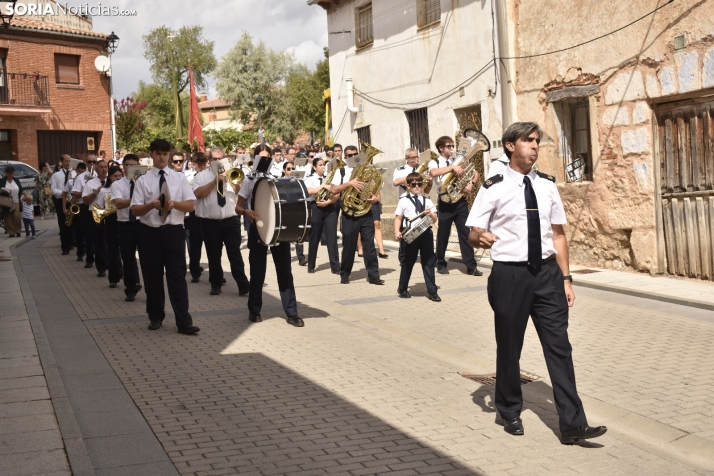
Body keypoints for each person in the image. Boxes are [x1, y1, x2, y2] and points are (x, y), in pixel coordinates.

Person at [467, 122, 606, 444]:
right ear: (509, 146)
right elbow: (472, 230)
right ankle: (509, 408)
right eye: (527, 141)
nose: (534, 146)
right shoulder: (494, 186)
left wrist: (567, 279)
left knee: (559, 347)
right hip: (510, 275)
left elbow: (558, 235)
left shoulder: (546, 185)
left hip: (547, 276)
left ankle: (573, 423)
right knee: (510, 346)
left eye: (536, 141)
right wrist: (479, 238)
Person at [131, 138, 199, 335]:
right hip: (149, 233)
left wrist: (174, 204)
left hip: (173, 231)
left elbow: (191, 205)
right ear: (151, 155)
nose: (162, 157)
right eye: (158, 154)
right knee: (152, 277)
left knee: (177, 277)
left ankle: (184, 321)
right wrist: (151, 205)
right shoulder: (143, 180)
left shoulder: (179, 178)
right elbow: (135, 211)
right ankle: (155, 316)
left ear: (169, 155)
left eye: (165, 154)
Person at [235, 144, 304, 327]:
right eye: (261, 157)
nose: (265, 161)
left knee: (285, 272)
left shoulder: (276, 178)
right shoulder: (249, 180)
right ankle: (254, 310)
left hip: (277, 229)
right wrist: (247, 212)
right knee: (258, 272)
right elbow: (238, 206)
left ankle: (292, 312)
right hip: (257, 229)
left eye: (268, 157)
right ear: (255, 158)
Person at [192, 147, 250, 296]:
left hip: (231, 220)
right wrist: (215, 180)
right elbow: (198, 194)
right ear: (209, 160)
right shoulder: (201, 176)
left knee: (234, 253)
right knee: (213, 255)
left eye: (220, 159)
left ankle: (243, 284)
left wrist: (234, 181)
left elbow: (240, 192)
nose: (218, 162)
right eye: (215, 159)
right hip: (210, 222)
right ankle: (216, 283)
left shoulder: (231, 173)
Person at [330, 145, 384, 285]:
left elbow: (377, 191)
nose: (352, 157)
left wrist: (375, 199)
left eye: (355, 154)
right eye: (349, 155)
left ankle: (374, 275)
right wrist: (349, 183)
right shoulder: (341, 171)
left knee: (369, 245)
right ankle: (345, 274)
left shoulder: (368, 169)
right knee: (348, 245)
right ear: (345, 157)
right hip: (349, 213)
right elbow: (334, 189)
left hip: (366, 212)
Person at [429, 136, 481, 276]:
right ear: (441, 148)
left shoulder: (458, 160)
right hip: (445, 202)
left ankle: (471, 266)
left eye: (452, 146)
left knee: (465, 233)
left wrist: (471, 184)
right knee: (443, 235)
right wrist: (452, 167)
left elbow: (476, 173)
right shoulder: (435, 162)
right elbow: (433, 173)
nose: (452, 149)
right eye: (448, 146)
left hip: (460, 202)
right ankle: (440, 263)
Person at [394, 173, 439, 301]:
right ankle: (402, 288)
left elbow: (435, 220)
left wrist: (431, 215)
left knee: (429, 262)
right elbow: (398, 218)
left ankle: (432, 291)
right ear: (408, 186)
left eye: (420, 184)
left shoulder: (428, 200)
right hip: (410, 234)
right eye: (414, 184)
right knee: (408, 262)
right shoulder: (403, 200)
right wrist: (397, 231)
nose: (417, 187)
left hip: (425, 233)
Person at [111, 154, 142, 301]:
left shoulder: (143, 183)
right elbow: (118, 203)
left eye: (134, 165)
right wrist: (137, 199)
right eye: (128, 165)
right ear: (123, 166)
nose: (131, 168)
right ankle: (130, 288)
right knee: (128, 258)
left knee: (148, 259)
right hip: (125, 224)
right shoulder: (117, 184)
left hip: (142, 224)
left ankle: (151, 289)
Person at [393, 148, 432, 264]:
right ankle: (404, 258)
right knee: (406, 232)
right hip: (406, 202)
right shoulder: (400, 169)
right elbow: (395, 183)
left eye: (417, 157)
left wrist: (429, 182)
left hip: (421, 202)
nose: (416, 160)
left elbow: (428, 190)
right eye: (413, 157)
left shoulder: (424, 169)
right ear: (407, 159)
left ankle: (426, 257)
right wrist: (414, 176)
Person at [304, 157, 340, 274]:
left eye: (324, 164)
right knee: (314, 237)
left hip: (329, 207)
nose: (323, 167)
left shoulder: (330, 178)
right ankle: (311, 264)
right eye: (320, 165)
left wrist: (329, 202)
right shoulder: (309, 178)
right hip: (316, 207)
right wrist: (323, 186)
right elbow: (309, 191)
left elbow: (337, 193)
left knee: (332, 237)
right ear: (314, 167)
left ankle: (335, 265)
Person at [83, 160, 110, 278]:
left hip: (109, 214)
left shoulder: (113, 181)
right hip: (95, 214)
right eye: (101, 167)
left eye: (105, 167)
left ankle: (112, 264)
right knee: (99, 242)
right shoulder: (90, 183)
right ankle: (101, 267)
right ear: (96, 169)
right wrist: (96, 191)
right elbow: (85, 201)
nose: (104, 169)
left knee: (110, 241)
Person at [73, 155, 98, 268]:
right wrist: (87, 189)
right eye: (89, 162)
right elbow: (75, 193)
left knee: (100, 235)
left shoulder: (101, 175)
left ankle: (101, 258)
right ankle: (89, 258)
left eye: (94, 161)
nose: (92, 164)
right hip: (85, 206)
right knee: (87, 233)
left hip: (99, 206)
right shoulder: (81, 177)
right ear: (86, 162)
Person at [186, 152, 207, 283]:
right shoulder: (186, 176)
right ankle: (195, 272)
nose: (200, 167)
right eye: (198, 164)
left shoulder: (209, 175)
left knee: (212, 244)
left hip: (207, 211)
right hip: (194, 212)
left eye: (203, 164)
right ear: (193, 164)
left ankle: (217, 273)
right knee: (194, 244)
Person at [103, 165, 124, 287]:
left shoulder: (125, 187)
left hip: (122, 219)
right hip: (110, 220)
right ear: (110, 177)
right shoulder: (104, 190)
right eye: (115, 176)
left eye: (119, 176)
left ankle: (125, 273)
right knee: (112, 250)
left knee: (125, 250)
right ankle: (113, 278)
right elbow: (99, 206)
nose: (117, 178)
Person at [282, 161, 307, 266]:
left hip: (296, 208)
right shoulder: (280, 181)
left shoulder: (299, 181)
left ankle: (301, 257)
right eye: (288, 169)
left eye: (292, 168)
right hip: (285, 209)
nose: (291, 171)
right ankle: (285, 256)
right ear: (284, 170)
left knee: (298, 232)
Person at [50, 155, 76, 253]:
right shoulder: (56, 175)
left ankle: (72, 242)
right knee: (63, 223)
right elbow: (53, 189)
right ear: (61, 162)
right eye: (66, 161)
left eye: (69, 161)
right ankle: (65, 247)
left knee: (73, 223)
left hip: (72, 200)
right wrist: (63, 193)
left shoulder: (74, 173)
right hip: (61, 200)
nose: (68, 163)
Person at [63, 162, 86, 260]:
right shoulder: (70, 182)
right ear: (76, 171)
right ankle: (80, 253)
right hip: (75, 206)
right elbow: (64, 194)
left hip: (84, 205)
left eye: (82, 172)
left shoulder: (87, 180)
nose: (80, 173)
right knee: (78, 231)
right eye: (79, 171)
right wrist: (64, 208)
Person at [0, 166, 23, 237]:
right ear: (6, 173)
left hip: (16, 201)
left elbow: (21, 190)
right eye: (9, 174)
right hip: (6, 202)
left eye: (12, 174)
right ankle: (11, 232)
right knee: (7, 217)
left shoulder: (16, 180)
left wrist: (22, 197)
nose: (10, 175)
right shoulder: (2, 181)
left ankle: (18, 231)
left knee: (16, 216)